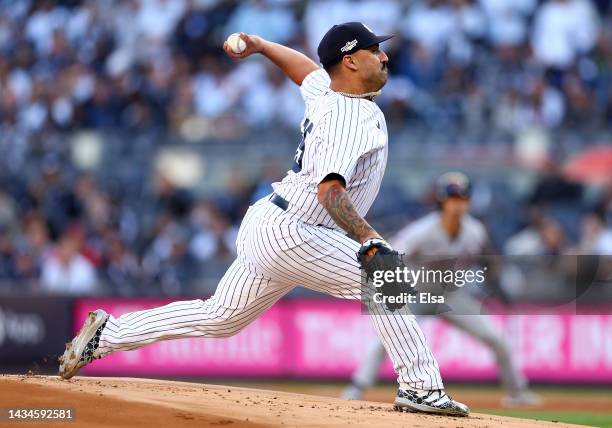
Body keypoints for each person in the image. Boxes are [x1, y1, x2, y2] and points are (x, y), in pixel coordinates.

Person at [59, 23, 469, 416]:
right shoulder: (350, 117)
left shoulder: (329, 91)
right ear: (349, 61)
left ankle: (106, 335)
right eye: (373, 49)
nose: (383, 56)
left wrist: (261, 45)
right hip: (297, 231)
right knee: (384, 277)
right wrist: (371, 241)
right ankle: (421, 386)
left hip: (274, 224)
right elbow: (330, 191)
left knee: (221, 317)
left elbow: (306, 70)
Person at [342, 172, 541, 408]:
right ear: (441, 202)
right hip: (416, 293)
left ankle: (517, 393)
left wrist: (497, 288)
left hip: (452, 296)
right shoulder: (421, 231)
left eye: (461, 198)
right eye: (452, 198)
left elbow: (486, 262)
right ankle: (357, 386)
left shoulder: (474, 231)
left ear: (468, 202)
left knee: (497, 339)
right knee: (385, 338)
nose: (456, 204)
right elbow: (389, 256)